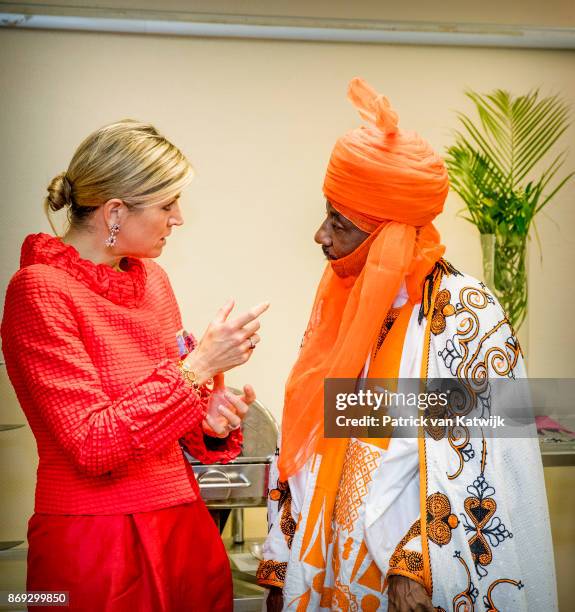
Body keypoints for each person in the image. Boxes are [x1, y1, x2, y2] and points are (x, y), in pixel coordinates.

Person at [257, 78, 557, 611]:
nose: (321, 236)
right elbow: (318, 428)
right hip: (328, 565)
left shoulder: (465, 313)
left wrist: (417, 561)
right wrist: (283, 561)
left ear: (389, 234)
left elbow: (484, 461)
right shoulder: (348, 298)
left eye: (339, 222)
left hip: (407, 582)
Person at [1, 120, 269, 611]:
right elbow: (93, 443)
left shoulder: (154, 282)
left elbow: (162, 415)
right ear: (115, 212)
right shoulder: (39, 290)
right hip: (93, 540)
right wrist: (198, 367)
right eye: (168, 205)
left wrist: (205, 418)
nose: (179, 219)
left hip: (182, 522)